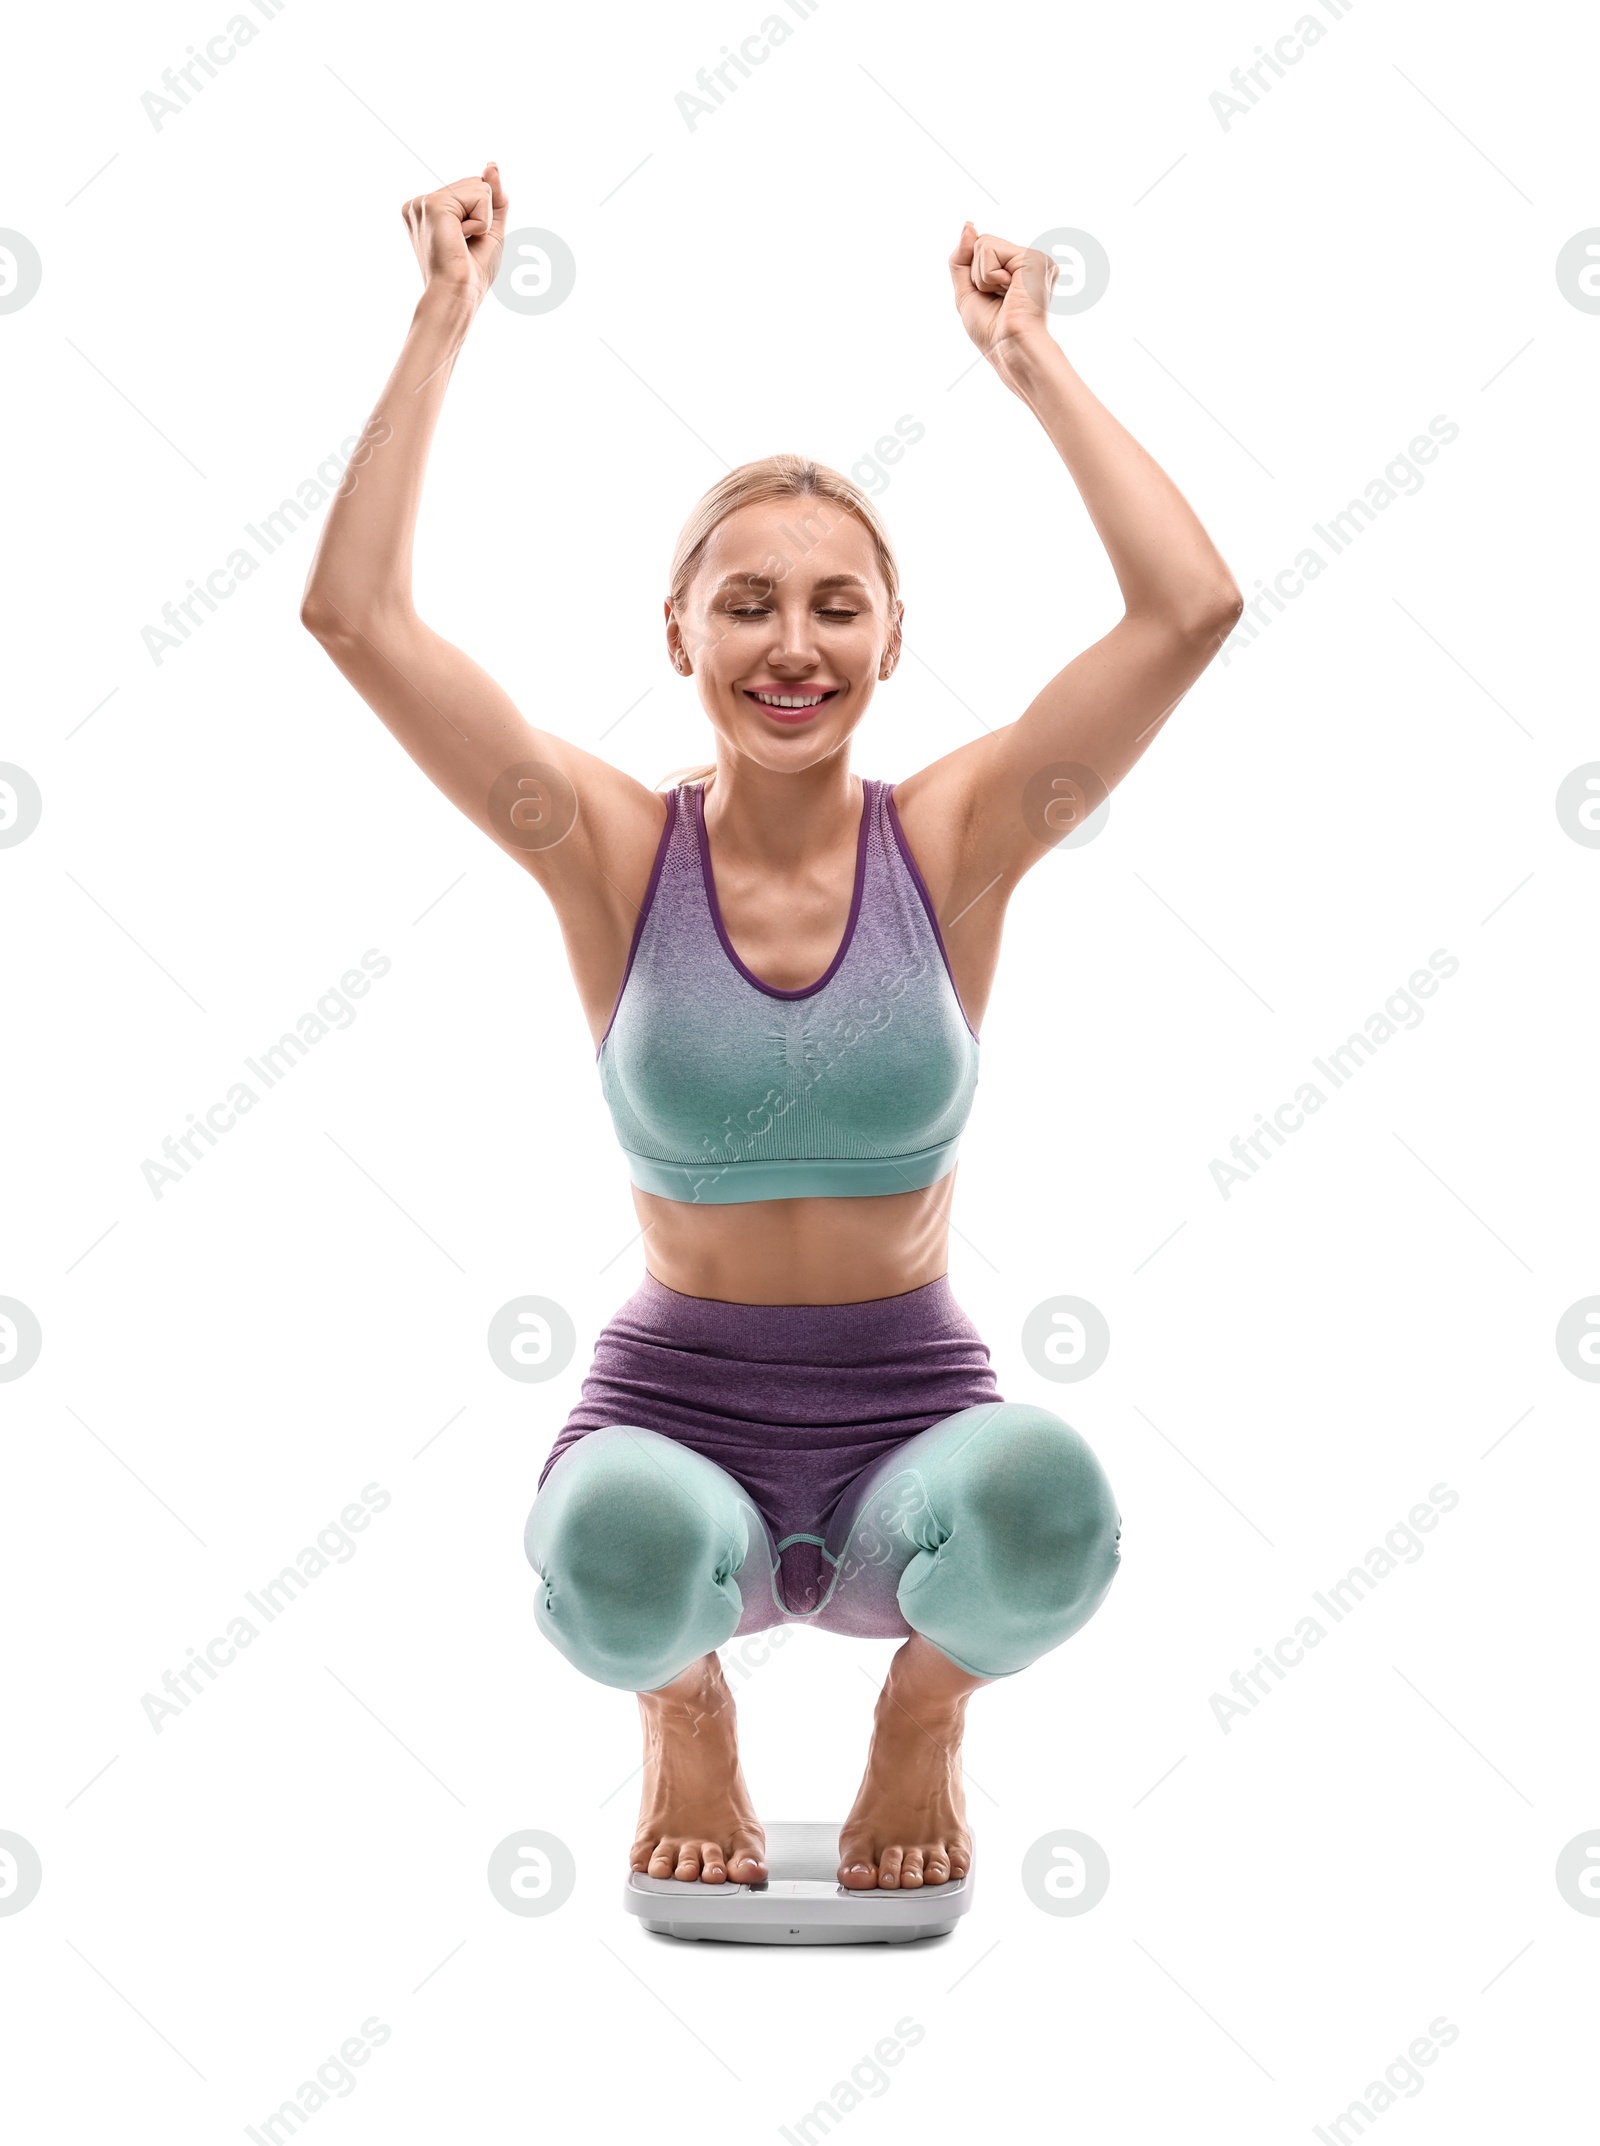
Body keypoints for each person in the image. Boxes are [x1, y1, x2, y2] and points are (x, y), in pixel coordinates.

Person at [301, 162, 1243, 1893]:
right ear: (678, 632)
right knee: (612, 1551)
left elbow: (1190, 611)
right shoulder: (608, 853)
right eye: (747, 602)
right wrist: (440, 321)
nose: (791, 643)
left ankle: (924, 1718)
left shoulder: (954, 844)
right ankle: (684, 1707)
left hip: (913, 1412)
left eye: (835, 605)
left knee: (1054, 1504)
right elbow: (354, 621)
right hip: (677, 1409)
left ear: (892, 639)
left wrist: (1028, 354)